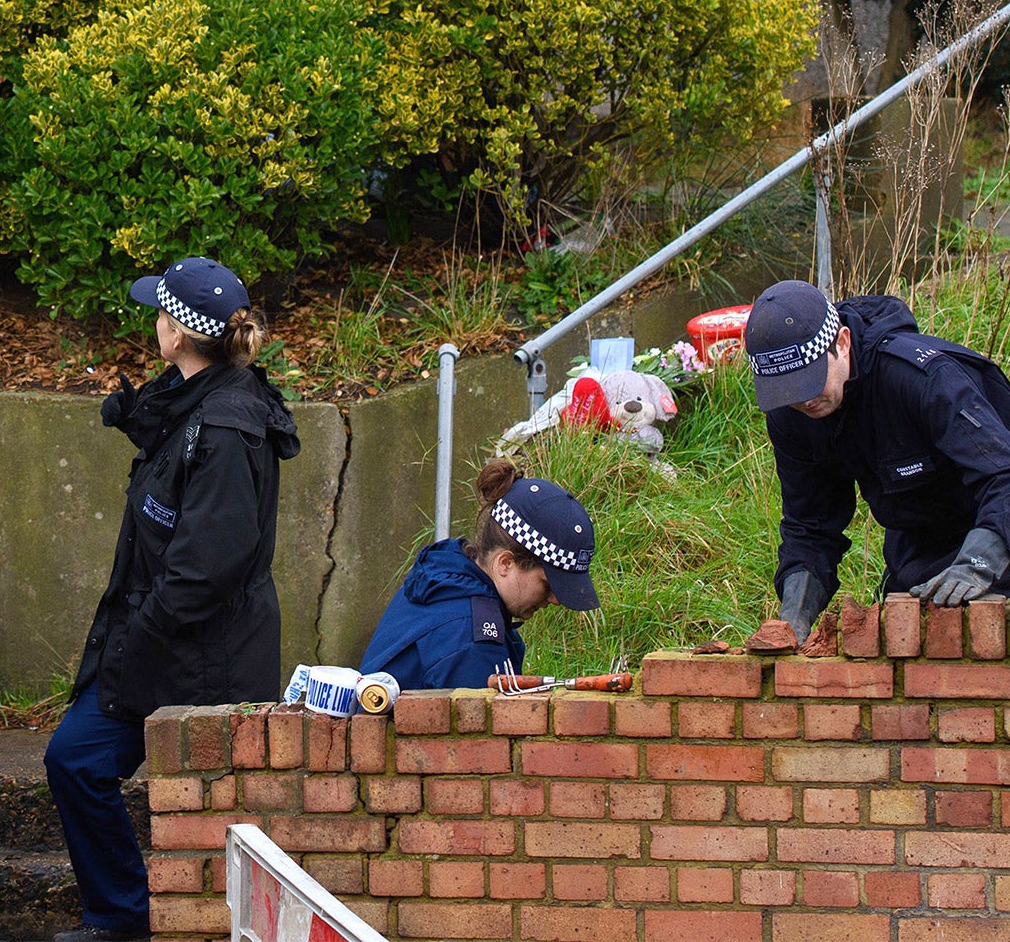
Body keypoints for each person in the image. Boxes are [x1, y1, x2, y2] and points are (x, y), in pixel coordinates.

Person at [48, 258, 301, 942]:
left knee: (80, 761)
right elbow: (176, 439)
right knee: (75, 761)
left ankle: (127, 920)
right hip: (167, 646)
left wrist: (132, 643)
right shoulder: (205, 395)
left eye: (159, 314)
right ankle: (124, 914)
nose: (152, 324)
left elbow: (205, 569)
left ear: (179, 334)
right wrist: (135, 415)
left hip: (195, 658)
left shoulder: (225, 428)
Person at [748, 280, 1010, 639]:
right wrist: (794, 619)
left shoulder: (919, 378)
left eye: (809, 382)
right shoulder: (792, 411)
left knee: (983, 639)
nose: (804, 401)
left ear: (841, 344)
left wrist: (976, 565)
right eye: (789, 391)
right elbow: (810, 525)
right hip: (922, 509)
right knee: (905, 636)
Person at [360, 460, 601, 690]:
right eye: (548, 584)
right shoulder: (470, 637)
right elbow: (482, 732)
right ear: (505, 563)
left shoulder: (445, 575)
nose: (556, 599)